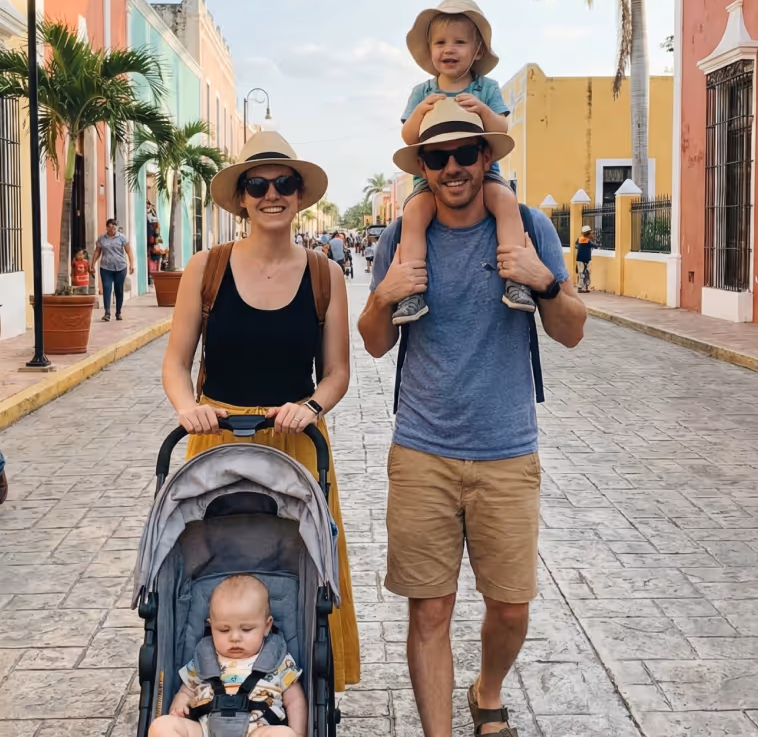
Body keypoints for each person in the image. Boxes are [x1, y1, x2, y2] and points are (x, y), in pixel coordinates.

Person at [358, 101, 586, 737]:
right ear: (424, 167)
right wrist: (383, 296)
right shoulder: (400, 237)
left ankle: (487, 688)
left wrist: (544, 282)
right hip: (421, 449)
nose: (452, 167)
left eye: (465, 153)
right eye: (438, 157)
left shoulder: (530, 227)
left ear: (486, 157)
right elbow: (375, 343)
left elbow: (572, 332)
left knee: (510, 608)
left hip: (507, 449)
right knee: (429, 611)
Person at [162, 130, 360, 692]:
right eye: (257, 184)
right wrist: (187, 407)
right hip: (217, 439)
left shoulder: (324, 274)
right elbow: (176, 362)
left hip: (295, 441)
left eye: (284, 183)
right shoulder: (207, 268)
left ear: (299, 194)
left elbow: (337, 372)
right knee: (211, 563)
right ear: (241, 198)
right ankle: (204, 679)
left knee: (303, 566)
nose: (272, 194)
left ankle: (302, 690)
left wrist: (311, 406)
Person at [392, 0, 534, 327]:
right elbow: (409, 136)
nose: (449, 49)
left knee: (506, 202)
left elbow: (501, 129)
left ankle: (516, 279)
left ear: (477, 50)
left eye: (459, 42)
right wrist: (421, 112)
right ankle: (411, 290)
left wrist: (482, 111)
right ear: (430, 50)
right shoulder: (422, 92)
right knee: (413, 215)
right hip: (430, 181)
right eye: (440, 42)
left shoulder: (486, 88)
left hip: (484, 175)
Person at [149, 575, 306, 737]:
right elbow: (186, 692)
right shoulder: (204, 658)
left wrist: (298, 733)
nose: (235, 637)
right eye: (224, 630)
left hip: (257, 730)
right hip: (205, 729)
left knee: (283, 734)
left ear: (267, 626)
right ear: (211, 627)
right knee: (161, 726)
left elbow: (295, 701)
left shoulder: (278, 660)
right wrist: (178, 709)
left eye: (246, 629)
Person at [91, 219, 134, 322]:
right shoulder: (102, 238)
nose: (112, 229)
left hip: (120, 268)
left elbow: (129, 251)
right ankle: (107, 313)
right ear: (106, 227)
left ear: (116, 227)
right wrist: (93, 264)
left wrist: (131, 265)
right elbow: (97, 251)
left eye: (114, 227)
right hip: (106, 268)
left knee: (119, 290)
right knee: (106, 288)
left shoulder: (122, 238)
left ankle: (118, 312)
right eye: (110, 227)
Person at [575, 225, 599, 293]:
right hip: (587, 259)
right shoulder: (588, 241)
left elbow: (576, 246)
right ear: (588, 233)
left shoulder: (579, 239)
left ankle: (580, 287)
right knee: (587, 274)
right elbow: (595, 246)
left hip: (579, 259)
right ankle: (585, 288)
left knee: (581, 274)